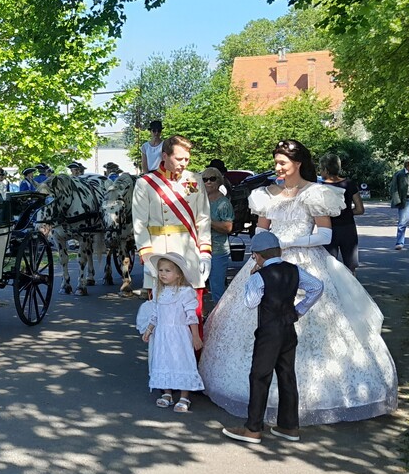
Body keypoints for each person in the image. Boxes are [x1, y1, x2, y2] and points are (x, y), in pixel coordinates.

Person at [200, 139, 398, 427]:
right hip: (268, 261)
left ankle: (308, 399)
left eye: (282, 163)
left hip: (305, 260)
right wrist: (262, 248)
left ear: (298, 163)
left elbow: (325, 235)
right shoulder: (266, 194)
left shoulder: (316, 193)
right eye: (276, 162)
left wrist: (288, 243)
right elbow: (261, 228)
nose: (277, 168)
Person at [220, 231, 324, 444]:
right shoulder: (293, 270)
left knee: (260, 377)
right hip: (288, 328)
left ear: (257, 256)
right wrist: (299, 310)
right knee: (287, 375)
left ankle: (253, 428)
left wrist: (251, 279)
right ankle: (289, 426)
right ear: (278, 251)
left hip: (269, 331)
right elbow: (317, 286)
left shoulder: (260, 276)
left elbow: (251, 302)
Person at [131, 135, 212, 315]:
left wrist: (205, 253)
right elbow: (139, 224)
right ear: (165, 156)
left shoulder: (195, 180)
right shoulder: (145, 184)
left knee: (193, 314)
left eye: (187, 159)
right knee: (161, 317)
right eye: (179, 158)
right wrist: (148, 258)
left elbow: (203, 219)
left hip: (189, 253)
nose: (183, 163)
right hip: (160, 254)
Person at [138, 253, 204, 414]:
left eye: (167, 270)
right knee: (163, 361)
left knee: (181, 361)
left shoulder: (185, 292)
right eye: (161, 270)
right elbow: (155, 314)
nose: (163, 274)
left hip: (179, 334)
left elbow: (191, 316)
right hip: (162, 335)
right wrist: (149, 330)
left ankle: (184, 395)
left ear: (178, 274)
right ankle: (167, 393)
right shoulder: (158, 291)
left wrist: (195, 336)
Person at [319, 153, 364, 272]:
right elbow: (360, 209)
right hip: (348, 228)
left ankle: (333, 290)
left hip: (327, 229)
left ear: (326, 170)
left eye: (320, 169)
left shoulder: (319, 187)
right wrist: (347, 212)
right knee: (351, 266)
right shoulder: (349, 184)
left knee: (328, 265)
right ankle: (353, 289)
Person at [202, 167, 234, 304]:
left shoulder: (223, 203)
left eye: (212, 179)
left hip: (218, 250)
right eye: (205, 179)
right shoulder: (200, 201)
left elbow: (228, 227)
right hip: (201, 249)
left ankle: (219, 320)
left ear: (219, 181)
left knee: (217, 287)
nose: (208, 182)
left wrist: (208, 221)